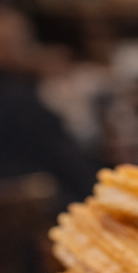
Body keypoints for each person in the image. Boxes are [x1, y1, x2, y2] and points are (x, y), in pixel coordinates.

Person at [0, 6, 98, 206]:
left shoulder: (23, 92)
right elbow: (75, 169)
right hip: (47, 210)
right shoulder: (21, 102)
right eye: (22, 43)